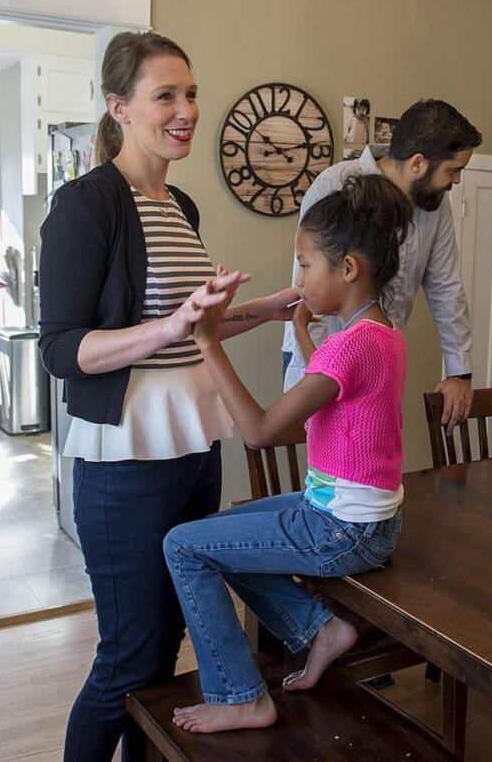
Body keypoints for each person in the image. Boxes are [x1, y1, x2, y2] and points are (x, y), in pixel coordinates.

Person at [38, 31, 299, 762]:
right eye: (166, 96)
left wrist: (269, 306)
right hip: (126, 464)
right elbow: (64, 348)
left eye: (190, 93)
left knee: (166, 652)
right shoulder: (87, 205)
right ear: (118, 107)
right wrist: (170, 325)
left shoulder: (177, 201)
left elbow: (195, 327)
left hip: (192, 450)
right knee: (129, 659)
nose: (186, 110)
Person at [163, 174, 412, 734]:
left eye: (304, 265)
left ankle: (240, 695)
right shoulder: (381, 333)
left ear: (346, 269)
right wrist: (301, 327)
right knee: (221, 535)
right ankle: (319, 628)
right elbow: (336, 385)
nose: (296, 277)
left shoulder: (350, 348)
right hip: (361, 521)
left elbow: (258, 431)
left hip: (339, 529)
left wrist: (207, 341)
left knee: (183, 546)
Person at [281, 99, 483, 432]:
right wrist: (310, 373)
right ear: (417, 163)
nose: (457, 181)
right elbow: (310, 288)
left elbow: (446, 287)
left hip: (379, 362)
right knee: (327, 466)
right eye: (453, 170)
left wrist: (460, 372)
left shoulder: (436, 207)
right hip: (320, 357)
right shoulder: (336, 185)